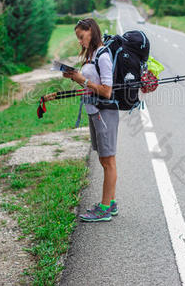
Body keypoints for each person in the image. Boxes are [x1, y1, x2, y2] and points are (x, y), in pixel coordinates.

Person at [64, 18, 119, 222]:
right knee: (104, 158)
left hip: (104, 112)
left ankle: (104, 208)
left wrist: (83, 80)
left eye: (81, 36)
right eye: (78, 38)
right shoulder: (92, 55)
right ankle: (110, 203)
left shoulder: (103, 55)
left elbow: (106, 91)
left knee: (108, 160)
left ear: (91, 32)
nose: (80, 41)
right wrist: (74, 77)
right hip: (94, 112)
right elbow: (90, 85)